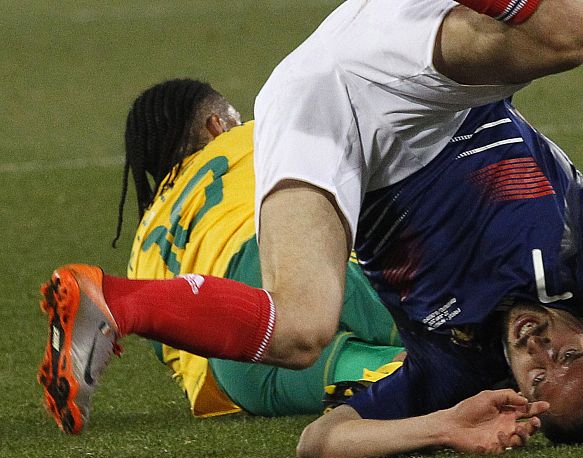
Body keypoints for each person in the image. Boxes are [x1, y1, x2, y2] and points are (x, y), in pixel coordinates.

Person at [38, 0, 583, 453]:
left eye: (538, 378)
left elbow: (320, 441)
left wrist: (443, 425)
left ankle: (112, 302)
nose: (541, 351)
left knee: (301, 329)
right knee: (573, 33)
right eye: (570, 357)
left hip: (312, 103)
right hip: (414, 81)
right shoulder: (580, 267)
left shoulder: (458, 371)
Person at [39, 79, 404, 430]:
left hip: (235, 367)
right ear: (217, 125)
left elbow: (173, 346)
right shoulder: (251, 137)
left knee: (414, 378)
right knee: (446, 332)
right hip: (278, 261)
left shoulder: (144, 243)